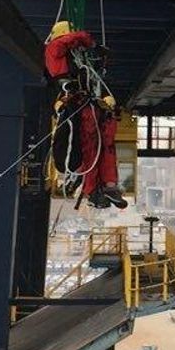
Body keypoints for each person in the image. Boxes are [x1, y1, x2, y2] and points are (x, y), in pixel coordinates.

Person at [45, 20, 126, 209]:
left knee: (105, 144)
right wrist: (92, 45)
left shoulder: (77, 58)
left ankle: (109, 184)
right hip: (76, 105)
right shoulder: (54, 48)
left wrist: (106, 100)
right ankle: (92, 189)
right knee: (90, 145)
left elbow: (93, 80)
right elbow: (76, 38)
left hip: (87, 104)